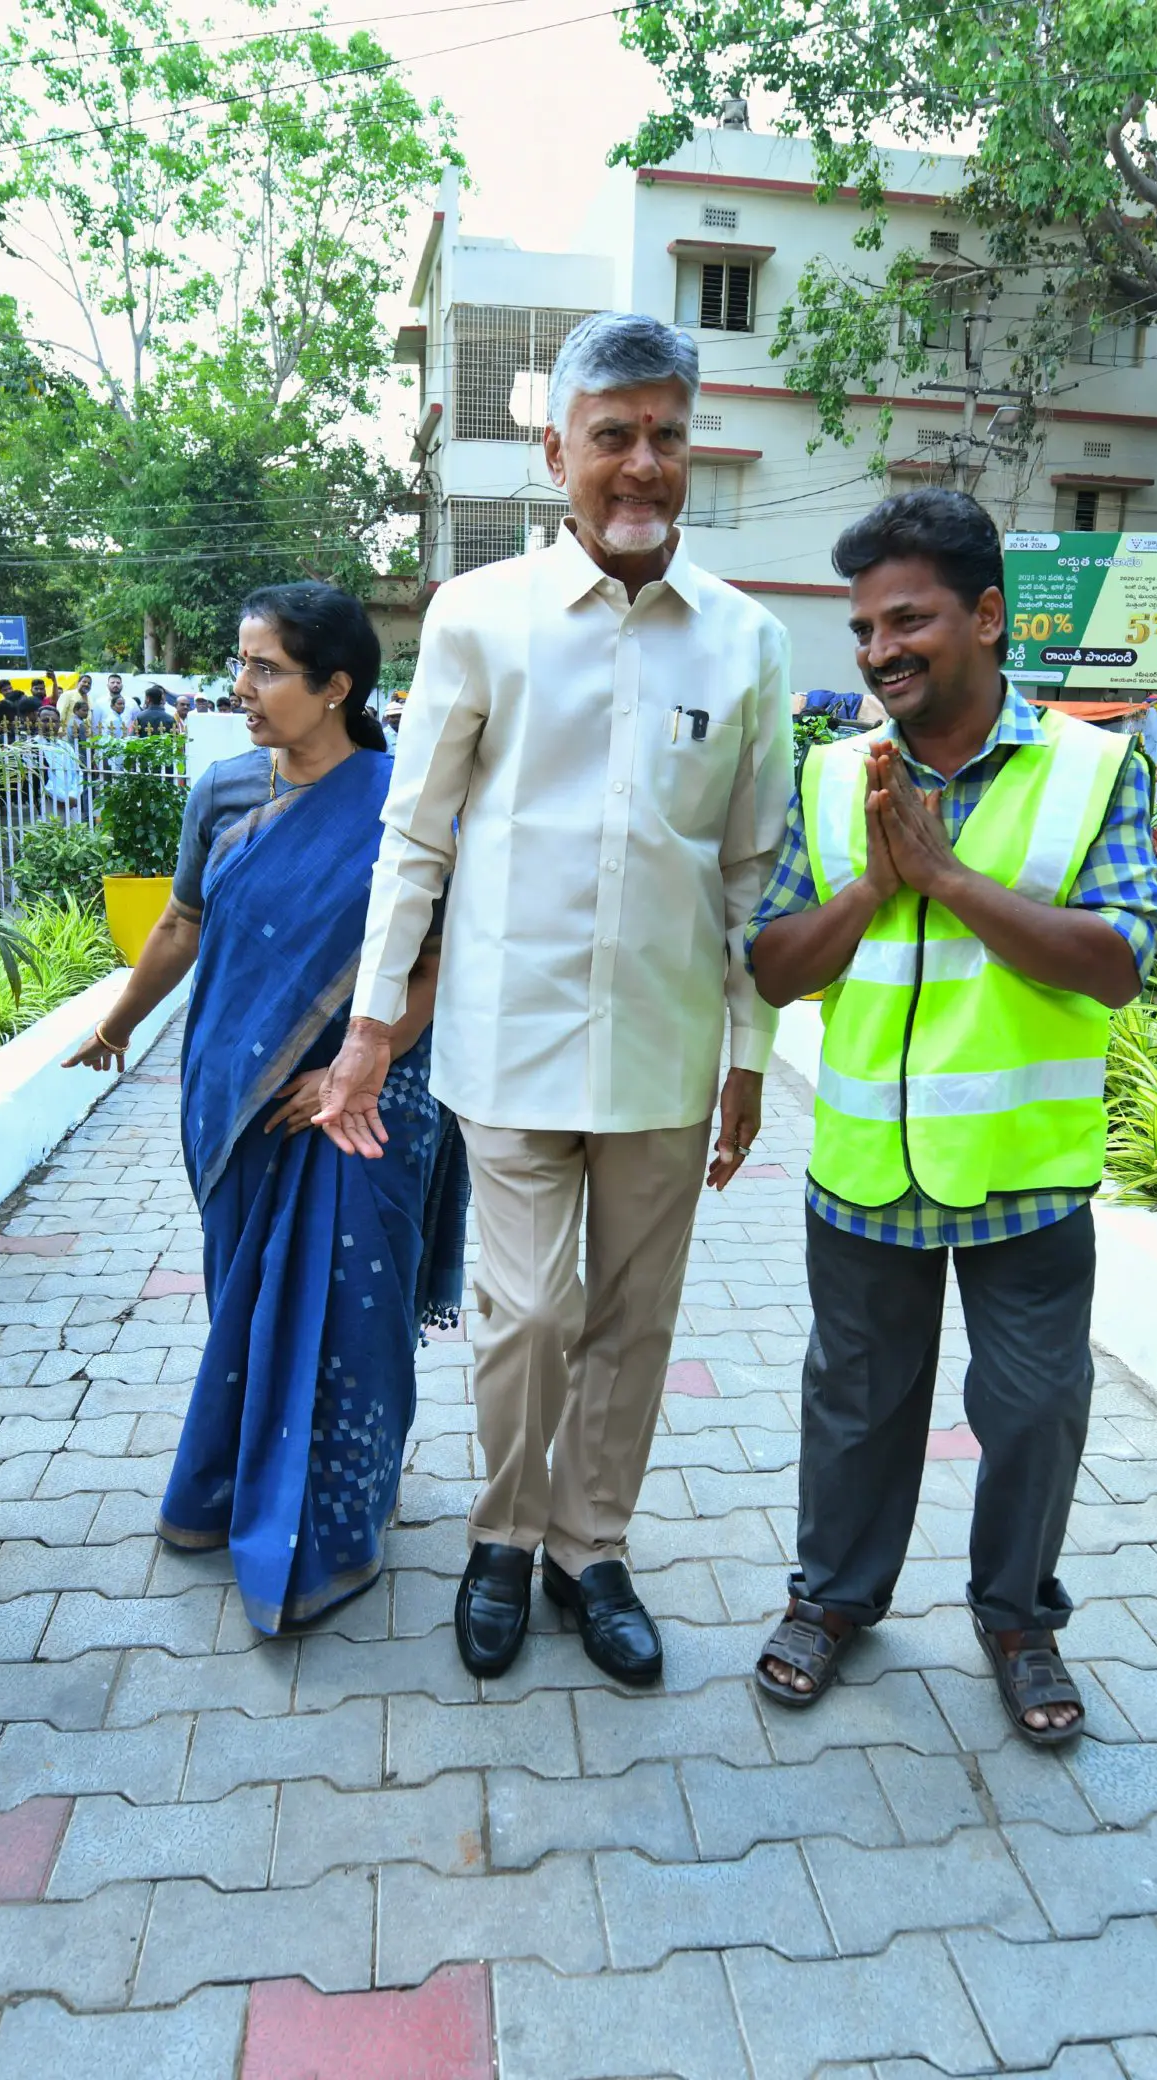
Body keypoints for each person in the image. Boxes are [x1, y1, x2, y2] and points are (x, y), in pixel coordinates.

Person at [315, 312, 792, 1687]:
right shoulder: (480, 620)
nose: (642, 466)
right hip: (508, 1045)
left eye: (667, 437)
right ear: (556, 452)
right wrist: (368, 1029)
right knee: (525, 1312)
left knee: (635, 1318)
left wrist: (750, 1055)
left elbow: (752, 868)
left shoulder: (746, 643)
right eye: (613, 437)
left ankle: (595, 1548)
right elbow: (417, 838)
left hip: (666, 1048)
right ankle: (502, 1538)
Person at [745, 488, 1157, 1745]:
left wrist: (944, 877)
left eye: (907, 619)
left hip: (1023, 1173)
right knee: (855, 1402)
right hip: (864, 1165)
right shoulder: (831, 779)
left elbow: (1117, 958)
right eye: (863, 628)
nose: (879, 650)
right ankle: (831, 1600)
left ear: (985, 616)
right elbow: (773, 965)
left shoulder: (1093, 765)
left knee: (1034, 1410)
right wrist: (878, 886)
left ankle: (1015, 1617)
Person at [67, 584, 464, 1632]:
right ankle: (247, 1475)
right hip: (234, 1093)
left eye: (264, 668)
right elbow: (181, 927)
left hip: (363, 1103)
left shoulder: (407, 801)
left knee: (349, 1301)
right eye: (237, 664)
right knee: (249, 1293)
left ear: (336, 686)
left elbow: (438, 964)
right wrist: (117, 1023)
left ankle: (338, 1516)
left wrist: (353, 1073)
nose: (239, 688)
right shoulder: (224, 792)